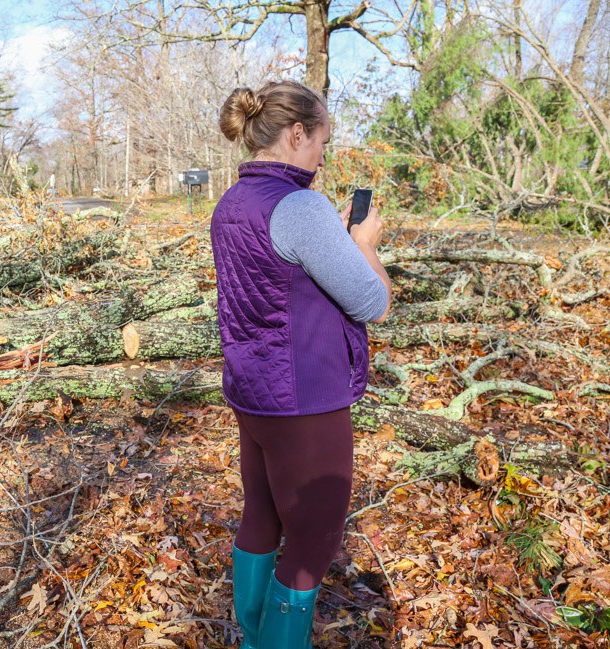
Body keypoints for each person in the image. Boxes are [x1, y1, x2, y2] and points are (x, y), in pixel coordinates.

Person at [209, 79, 392, 648]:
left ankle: (250, 637)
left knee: (261, 515)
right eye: (320, 141)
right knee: (312, 548)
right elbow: (372, 302)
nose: (321, 155)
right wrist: (363, 244)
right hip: (306, 400)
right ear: (295, 134)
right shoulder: (302, 207)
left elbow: (278, 279)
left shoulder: (232, 201)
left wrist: (330, 241)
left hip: (252, 393)